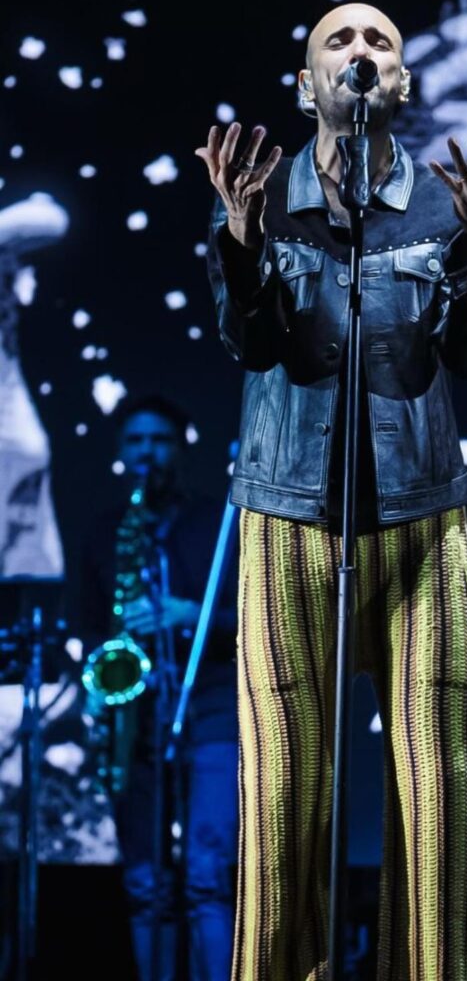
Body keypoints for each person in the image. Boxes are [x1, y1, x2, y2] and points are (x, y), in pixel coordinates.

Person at [196, 2, 467, 981]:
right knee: (283, 796)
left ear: (402, 84)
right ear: (306, 87)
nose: (360, 53)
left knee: (435, 789)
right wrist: (242, 239)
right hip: (288, 515)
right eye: (338, 42)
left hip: (421, 518)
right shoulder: (260, 195)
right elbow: (248, 345)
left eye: (378, 42)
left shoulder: (442, 203)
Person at [72, 395, 239, 981]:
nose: (149, 452)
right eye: (137, 441)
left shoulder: (218, 525)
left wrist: (186, 612)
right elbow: (92, 627)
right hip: (136, 722)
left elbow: (259, 621)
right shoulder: (105, 533)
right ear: (121, 452)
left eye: (161, 440)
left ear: (182, 447)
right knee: (145, 883)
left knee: (207, 876)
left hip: (214, 710)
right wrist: (98, 683)